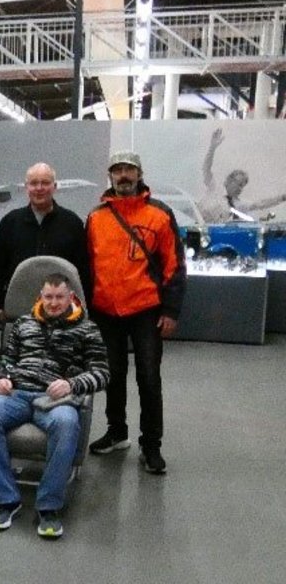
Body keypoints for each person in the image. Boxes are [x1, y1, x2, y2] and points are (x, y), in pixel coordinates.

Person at [0, 273, 108, 539]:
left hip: (55, 399)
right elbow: (6, 360)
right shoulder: (23, 323)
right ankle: (5, 500)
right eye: (48, 297)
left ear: (71, 297)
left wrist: (72, 384)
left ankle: (48, 506)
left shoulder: (87, 329)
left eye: (59, 297)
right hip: (17, 392)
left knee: (67, 423)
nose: (54, 303)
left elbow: (102, 373)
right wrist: (1, 378)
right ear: (40, 297)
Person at [86, 151, 186, 475]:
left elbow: (174, 266)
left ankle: (151, 445)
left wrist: (171, 310)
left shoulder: (160, 214)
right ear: (110, 176)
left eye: (129, 169)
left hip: (146, 311)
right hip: (106, 311)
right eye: (117, 170)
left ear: (139, 174)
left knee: (149, 378)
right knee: (112, 375)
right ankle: (117, 432)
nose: (123, 175)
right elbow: (89, 264)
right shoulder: (96, 218)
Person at [0, 162, 89, 312]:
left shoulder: (72, 223)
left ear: (55, 187)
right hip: (19, 309)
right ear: (26, 187)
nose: (39, 188)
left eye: (45, 183)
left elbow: (83, 272)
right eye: (34, 183)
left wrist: (81, 308)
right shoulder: (10, 223)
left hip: (61, 310)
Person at [197, 128, 286, 223]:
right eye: (238, 184)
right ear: (229, 180)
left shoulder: (239, 204)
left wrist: (282, 197)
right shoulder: (214, 186)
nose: (240, 189)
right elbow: (206, 168)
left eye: (242, 186)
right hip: (196, 224)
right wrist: (212, 147)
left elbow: (261, 204)